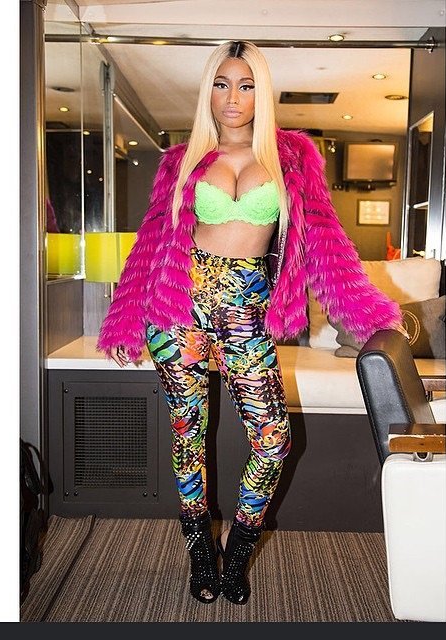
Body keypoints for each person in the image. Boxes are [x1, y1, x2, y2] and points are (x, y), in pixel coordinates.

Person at [97, 40, 408, 606]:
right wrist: (124, 319)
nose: (232, 97)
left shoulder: (292, 159)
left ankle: (238, 548)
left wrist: (371, 315)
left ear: (261, 93)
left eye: (245, 85)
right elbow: (150, 245)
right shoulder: (181, 160)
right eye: (221, 84)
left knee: (273, 438)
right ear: (208, 93)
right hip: (179, 312)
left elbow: (327, 246)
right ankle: (200, 551)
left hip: (245, 313)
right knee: (188, 436)